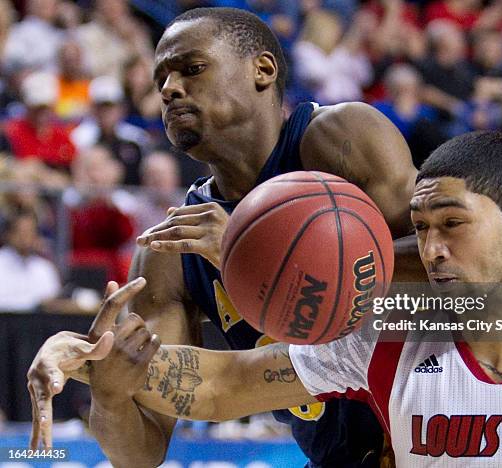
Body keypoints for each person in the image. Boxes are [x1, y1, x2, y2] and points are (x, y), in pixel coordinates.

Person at [32, 131, 502, 465]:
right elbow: (224, 384)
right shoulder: (391, 332)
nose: (431, 248)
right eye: (421, 226)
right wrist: (88, 356)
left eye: (452, 224)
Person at [28, 7, 423, 468]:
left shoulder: (338, 139)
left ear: (262, 70)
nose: (170, 88)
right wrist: (109, 389)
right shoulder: (172, 249)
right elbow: (143, 451)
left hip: (447, 435)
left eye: (191, 69)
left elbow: (473, 285)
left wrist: (257, 252)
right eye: (161, 81)